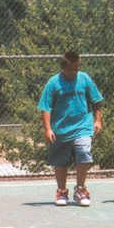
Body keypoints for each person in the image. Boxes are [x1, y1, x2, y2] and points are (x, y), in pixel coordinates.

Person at [38, 51, 103, 207]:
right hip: (61, 130)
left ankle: (81, 189)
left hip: (83, 126)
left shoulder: (84, 78)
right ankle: (61, 191)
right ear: (63, 68)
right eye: (72, 69)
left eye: (77, 68)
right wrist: (48, 129)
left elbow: (97, 100)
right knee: (61, 162)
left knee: (84, 153)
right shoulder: (53, 83)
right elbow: (45, 107)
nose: (75, 71)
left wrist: (98, 120)